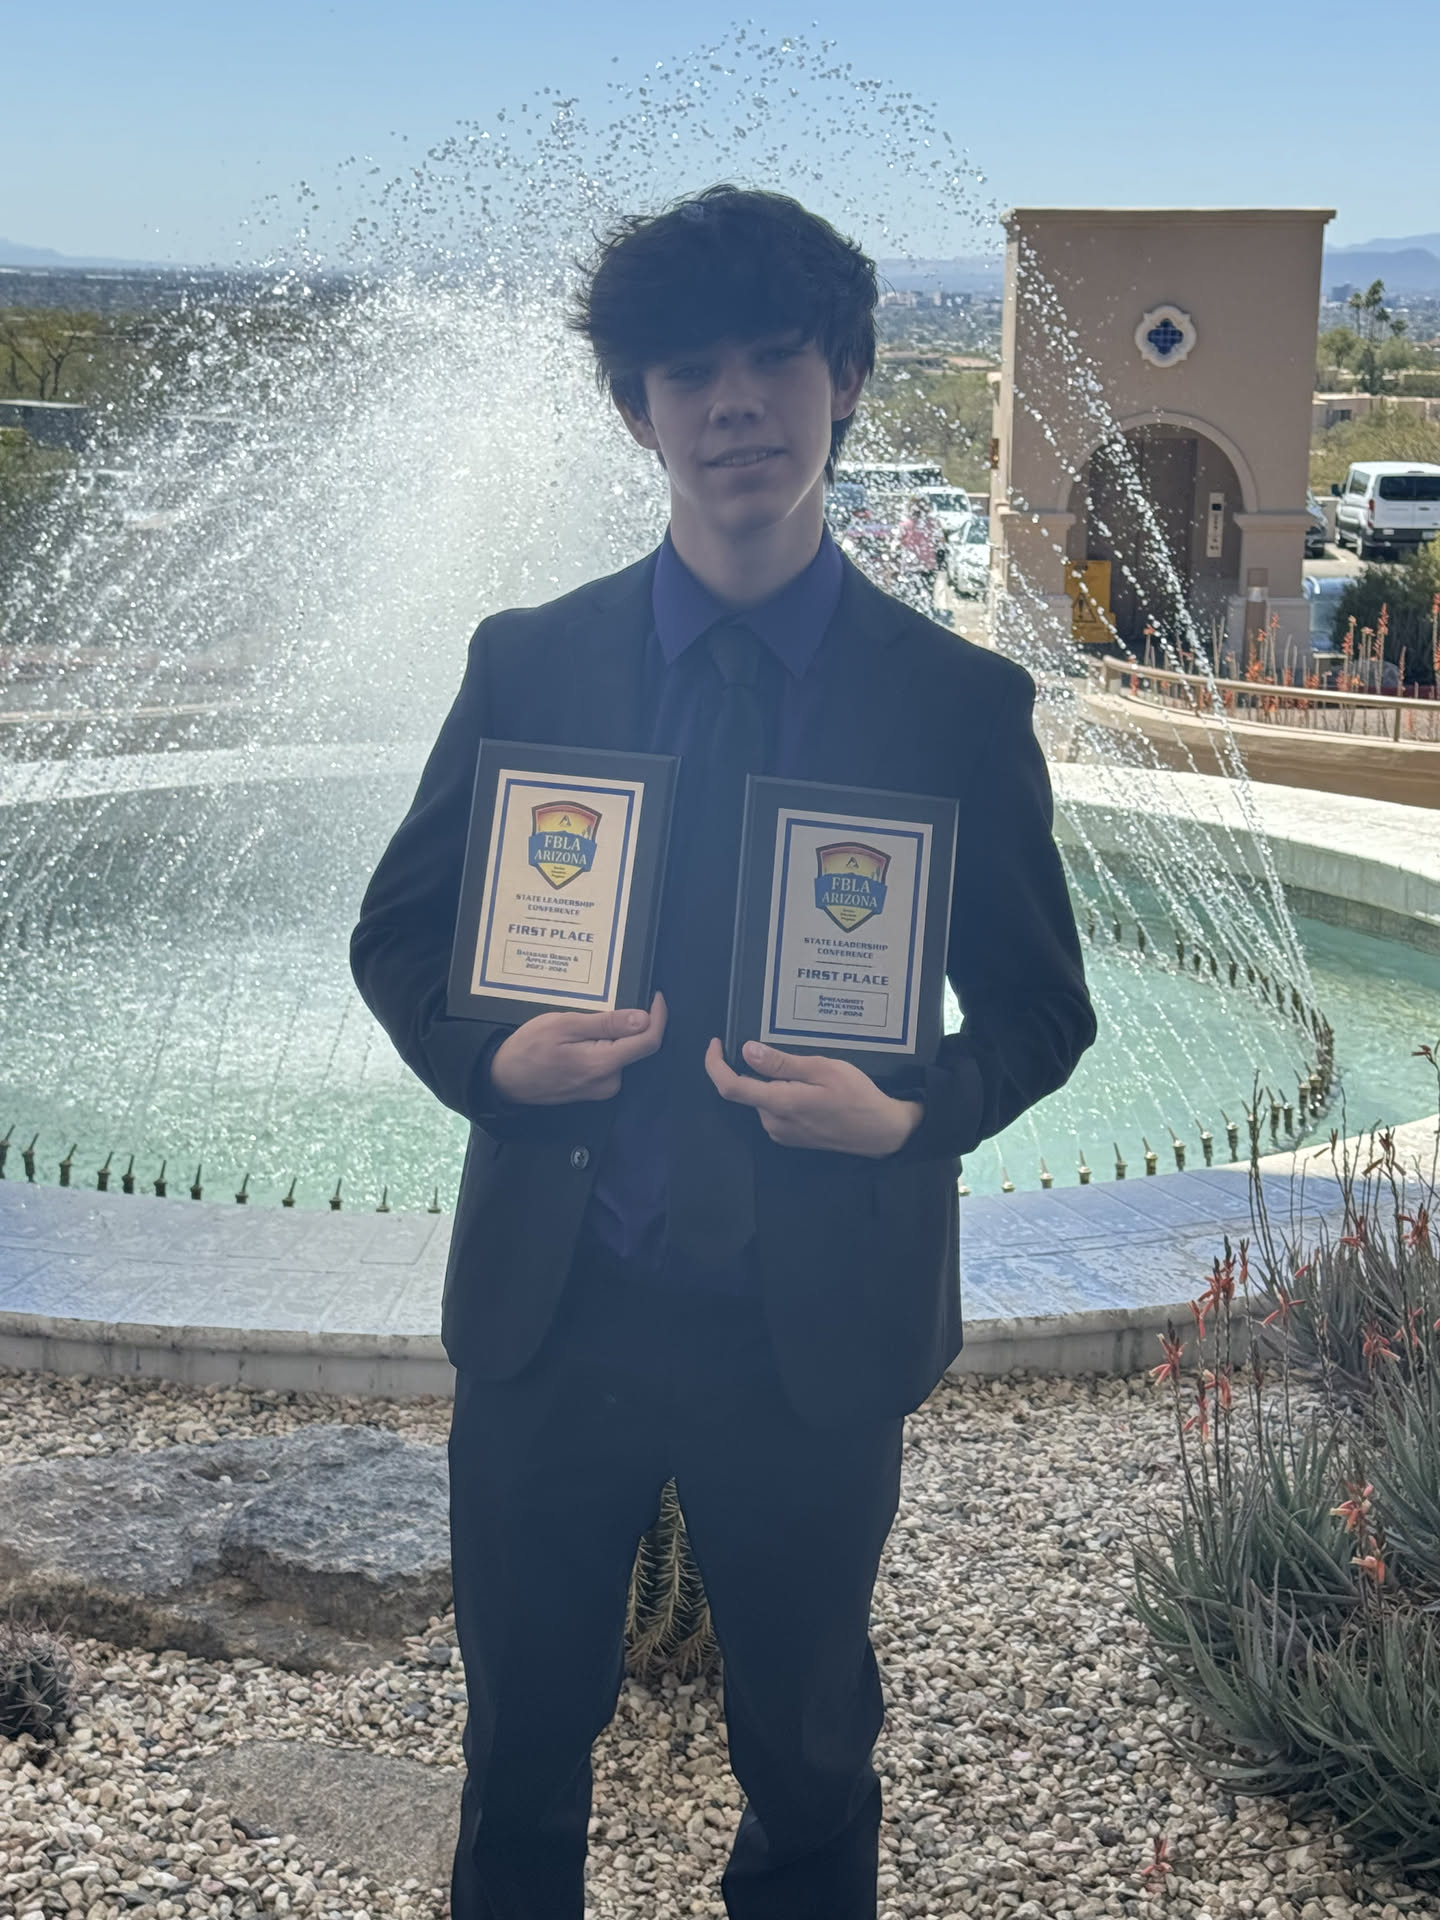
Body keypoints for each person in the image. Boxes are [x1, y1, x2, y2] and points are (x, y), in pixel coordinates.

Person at [350, 184, 1096, 1920]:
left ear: (845, 378)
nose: (736, 403)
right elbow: (397, 936)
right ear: (637, 413)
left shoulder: (953, 708)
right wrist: (490, 1066)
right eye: (689, 373)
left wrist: (909, 1110)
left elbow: (1046, 1016)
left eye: (776, 358)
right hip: (558, 1319)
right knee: (520, 1759)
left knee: (815, 1764)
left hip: (807, 1337)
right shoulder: (532, 665)